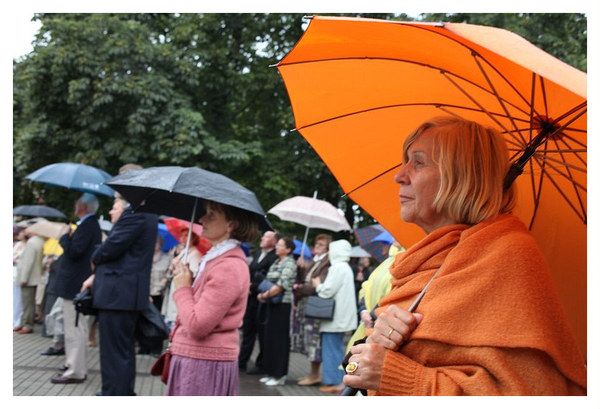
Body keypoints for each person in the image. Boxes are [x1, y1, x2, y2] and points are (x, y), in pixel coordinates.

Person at [342, 116, 587, 395]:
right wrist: (373, 344)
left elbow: (534, 392)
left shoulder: (508, 254)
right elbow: (361, 369)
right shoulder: (424, 259)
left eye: (418, 162)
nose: (400, 176)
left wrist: (400, 376)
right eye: (406, 161)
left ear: (461, 176)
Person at [165, 200, 258, 396]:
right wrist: (189, 280)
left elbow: (198, 325)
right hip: (200, 359)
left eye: (211, 215)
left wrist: (183, 288)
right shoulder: (218, 259)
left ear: (231, 225)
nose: (202, 219)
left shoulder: (228, 266)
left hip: (203, 364)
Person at [81, 194, 158, 396]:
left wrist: (96, 255)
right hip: (125, 294)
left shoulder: (135, 213)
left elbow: (110, 248)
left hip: (118, 295)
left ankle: (115, 393)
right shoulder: (147, 213)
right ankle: (120, 391)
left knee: (113, 352)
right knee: (122, 350)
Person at [51, 194, 102, 385]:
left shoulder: (88, 226)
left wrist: (65, 238)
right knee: (75, 327)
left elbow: (75, 252)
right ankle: (72, 364)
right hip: (75, 283)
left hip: (74, 284)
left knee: (75, 328)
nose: (74, 205)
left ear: (82, 206)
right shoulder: (89, 225)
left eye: (76, 202)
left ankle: (75, 370)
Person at [311, 239, 357, 393]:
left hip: (335, 317)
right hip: (341, 316)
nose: (329, 253)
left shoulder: (337, 267)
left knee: (331, 350)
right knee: (337, 348)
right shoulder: (345, 267)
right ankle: (338, 381)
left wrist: (318, 285)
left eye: (331, 250)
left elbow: (327, 291)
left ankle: (334, 382)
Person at [345, 241, 404, 355]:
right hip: (369, 323)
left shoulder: (405, 262)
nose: (394, 240)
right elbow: (366, 287)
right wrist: (363, 311)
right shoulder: (387, 262)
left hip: (382, 328)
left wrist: (371, 316)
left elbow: (395, 294)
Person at [290, 233, 332, 386]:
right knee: (307, 338)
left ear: (327, 248)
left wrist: (300, 288)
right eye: (317, 244)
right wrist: (300, 267)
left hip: (314, 305)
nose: (317, 247)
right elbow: (305, 279)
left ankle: (315, 375)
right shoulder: (314, 260)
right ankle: (311, 373)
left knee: (313, 339)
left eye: (321, 245)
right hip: (305, 304)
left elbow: (317, 286)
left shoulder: (327, 263)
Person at [256, 236, 297, 386]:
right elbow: (269, 279)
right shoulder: (276, 261)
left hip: (282, 305)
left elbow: (281, 285)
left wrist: (264, 295)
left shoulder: (289, 263)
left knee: (279, 340)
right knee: (269, 339)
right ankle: (270, 371)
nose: (277, 247)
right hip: (271, 303)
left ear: (288, 249)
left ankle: (279, 375)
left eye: (280, 245)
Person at [239, 230, 280, 374]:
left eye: (267, 237)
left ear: (274, 242)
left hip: (263, 300)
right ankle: (242, 362)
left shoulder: (275, 257)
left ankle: (261, 364)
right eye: (263, 236)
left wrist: (253, 287)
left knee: (262, 335)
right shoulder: (257, 254)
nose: (262, 238)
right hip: (251, 299)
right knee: (248, 332)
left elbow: (269, 279)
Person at [161, 227, 203, 329]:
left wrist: (181, 268)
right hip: (174, 292)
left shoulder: (195, 254)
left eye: (187, 235)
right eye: (181, 235)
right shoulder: (184, 252)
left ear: (193, 238)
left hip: (182, 293)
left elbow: (195, 276)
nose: (183, 238)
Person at [137, 234, 172, 355]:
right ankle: (143, 347)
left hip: (159, 294)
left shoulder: (167, 258)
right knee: (143, 321)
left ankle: (156, 348)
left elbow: (169, 273)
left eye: (156, 243)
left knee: (157, 321)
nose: (154, 245)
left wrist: (164, 281)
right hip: (144, 293)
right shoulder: (144, 256)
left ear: (160, 245)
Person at [14, 231, 45, 334]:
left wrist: (24, 278)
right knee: (28, 302)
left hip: (29, 278)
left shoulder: (31, 243)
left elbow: (28, 262)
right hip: (34, 277)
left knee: (27, 302)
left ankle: (27, 324)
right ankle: (23, 323)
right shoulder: (40, 241)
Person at [13, 227, 27, 329]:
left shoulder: (28, 245)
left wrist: (17, 261)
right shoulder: (17, 244)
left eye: (22, 232)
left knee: (17, 299)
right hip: (12, 271)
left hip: (19, 273)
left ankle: (17, 321)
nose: (19, 234)